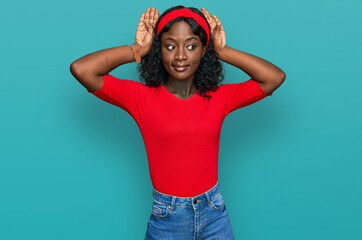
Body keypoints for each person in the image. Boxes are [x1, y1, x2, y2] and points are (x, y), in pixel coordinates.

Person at [70, 5, 286, 240]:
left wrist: (222, 50)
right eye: (170, 46)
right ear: (159, 50)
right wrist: (138, 49)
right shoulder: (141, 98)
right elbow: (82, 69)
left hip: (214, 213)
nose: (180, 55)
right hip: (167, 218)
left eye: (192, 46)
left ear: (203, 50)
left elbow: (273, 78)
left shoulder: (219, 97)